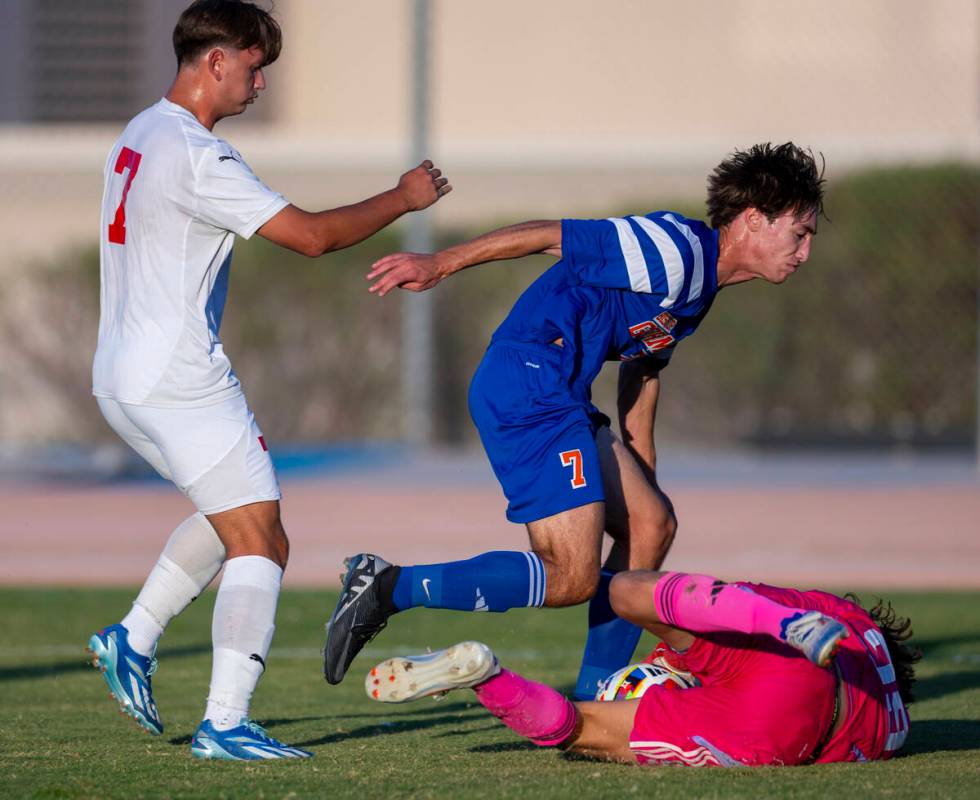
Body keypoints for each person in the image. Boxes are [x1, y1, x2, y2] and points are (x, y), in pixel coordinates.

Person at [323, 143, 823, 700]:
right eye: (800, 234)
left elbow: (642, 375)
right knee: (570, 576)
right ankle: (389, 586)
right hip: (530, 378)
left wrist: (643, 477)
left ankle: (592, 694)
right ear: (754, 219)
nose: (804, 253)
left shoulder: (700, 290)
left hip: (560, 390)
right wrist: (439, 264)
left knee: (652, 525)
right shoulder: (674, 248)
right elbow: (548, 235)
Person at [86, 0, 450, 761]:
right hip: (179, 376)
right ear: (215, 61)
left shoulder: (140, 131)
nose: (258, 86)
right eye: (254, 69)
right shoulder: (196, 153)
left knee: (236, 516)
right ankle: (224, 722)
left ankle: (132, 638)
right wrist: (403, 198)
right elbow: (313, 238)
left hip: (119, 375)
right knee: (264, 539)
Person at [366, 569, 918, 767]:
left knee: (626, 591)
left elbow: (721, 596)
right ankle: (489, 678)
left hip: (787, 651)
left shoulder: (850, 616)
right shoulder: (894, 727)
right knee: (586, 728)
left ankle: (778, 620)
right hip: (793, 718)